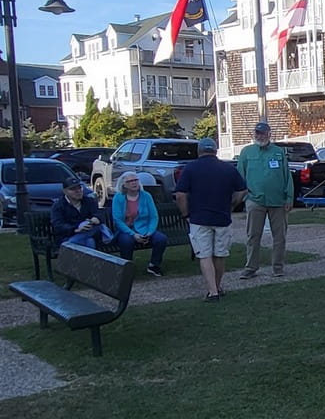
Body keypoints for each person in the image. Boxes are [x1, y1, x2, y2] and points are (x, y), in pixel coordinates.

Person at [174, 138, 247, 302]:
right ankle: (218, 286)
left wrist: (186, 214)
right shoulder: (228, 169)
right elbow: (242, 190)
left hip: (199, 218)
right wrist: (233, 204)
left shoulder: (190, 168)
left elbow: (180, 195)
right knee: (220, 255)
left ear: (199, 151)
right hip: (222, 217)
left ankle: (212, 292)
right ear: (215, 151)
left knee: (205, 255)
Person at [237, 121, 294, 279]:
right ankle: (251, 267)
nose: (259, 136)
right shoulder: (246, 152)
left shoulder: (278, 152)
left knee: (280, 236)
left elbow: (286, 176)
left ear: (269, 134)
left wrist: (289, 197)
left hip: (278, 201)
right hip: (255, 200)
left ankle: (277, 267)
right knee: (253, 235)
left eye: (262, 133)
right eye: (257, 133)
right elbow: (239, 176)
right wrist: (243, 196)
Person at [110, 171, 168, 277]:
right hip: (126, 229)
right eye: (130, 181)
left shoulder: (146, 196)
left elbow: (153, 217)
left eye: (135, 180)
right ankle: (126, 268)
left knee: (161, 239)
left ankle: (154, 265)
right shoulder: (118, 197)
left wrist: (149, 232)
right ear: (124, 184)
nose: (134, 183)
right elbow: (118, 220)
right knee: (126, 241)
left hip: (145, 229)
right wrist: (133, 234)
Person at [50, 176, 108, 249]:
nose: (78, 191)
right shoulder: (58, 206)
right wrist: (76, 229)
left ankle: (69, 245)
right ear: (65, 191)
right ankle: (71, 245)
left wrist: (96, 218)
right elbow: (58, 225)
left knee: (93, 232)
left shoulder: (89, 201)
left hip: (90, 233)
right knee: (89, 241)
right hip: (68, 236)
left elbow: (99, 214)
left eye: (79, 188)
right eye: (73, 189)